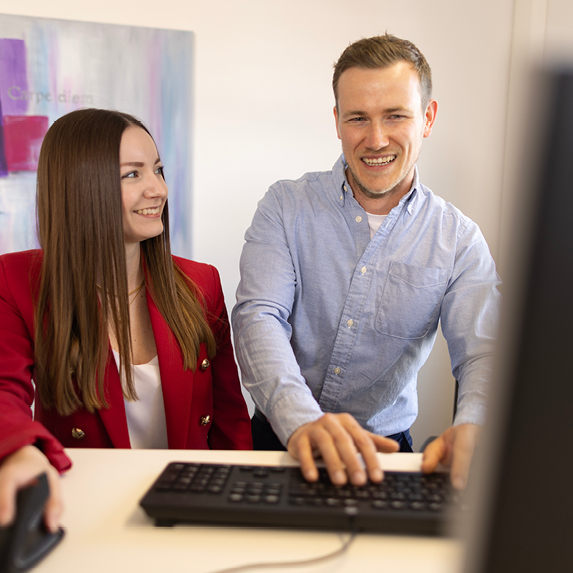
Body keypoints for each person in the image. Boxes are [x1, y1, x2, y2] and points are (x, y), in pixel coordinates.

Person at [232, 34, 500, 490]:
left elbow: (483, 352)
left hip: (387, 454)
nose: (376, 140)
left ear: (428, 118)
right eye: (358, 118)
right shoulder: (284, 206)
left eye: (396, 115)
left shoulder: (459, 239)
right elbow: (259, 317)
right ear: (337, 121)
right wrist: (301, 420)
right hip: (283, 438)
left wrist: (475, 423)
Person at [0, 108, 252, 531]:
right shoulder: (16, 280)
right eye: (132, 174)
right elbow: (3, 391)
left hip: (189, 510)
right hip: (82, 512)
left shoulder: (200, 282)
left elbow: (230, 420)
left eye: (158, 169)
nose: (158, 189)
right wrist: (18, 450)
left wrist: (239, 510)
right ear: (80, 187)